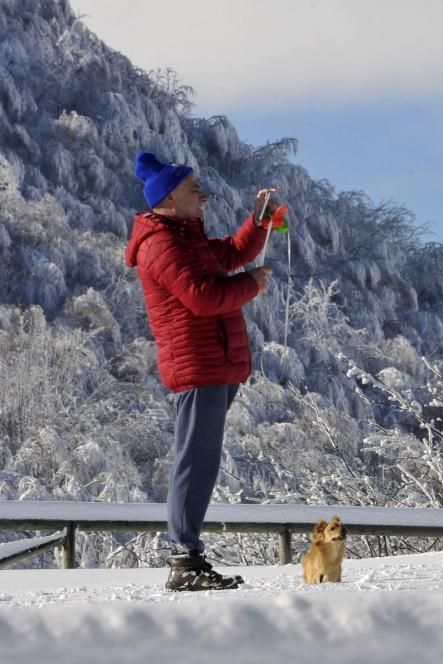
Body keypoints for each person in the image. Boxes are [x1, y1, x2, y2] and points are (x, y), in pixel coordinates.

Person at [125, 151, 277, 591]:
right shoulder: (161, 244)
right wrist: (251, 284)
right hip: (198, 365)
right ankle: (183, 560)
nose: (204, 197)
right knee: (196, 463)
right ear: (170, 197)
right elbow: (203, 297)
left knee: (202, 461)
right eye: (195, 190)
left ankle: (186, 557)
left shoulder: (184, 237)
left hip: (215, 362)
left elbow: (229, 253)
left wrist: (259, 220)